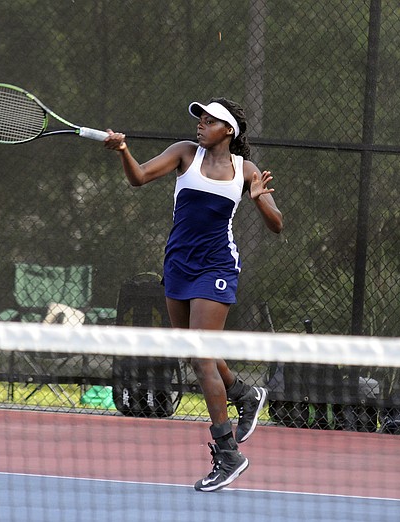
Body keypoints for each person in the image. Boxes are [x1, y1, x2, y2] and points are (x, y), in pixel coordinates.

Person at [104, 98, 283, 492]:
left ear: (229, 130)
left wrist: (257, 199)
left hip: (216, 267)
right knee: (191, 350)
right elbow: (138, 177)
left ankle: (227, 452)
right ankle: (244, 393)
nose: (201, 123)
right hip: (178, 265)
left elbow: (277, 224)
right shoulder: (184, 153)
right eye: (200, 118)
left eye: (211, 119)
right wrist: (123, 151)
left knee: (202, 357)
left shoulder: (246, 171)